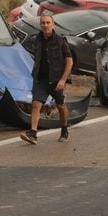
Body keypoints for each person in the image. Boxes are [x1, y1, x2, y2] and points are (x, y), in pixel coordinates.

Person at [20, 10, 73, 144]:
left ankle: (65, 129)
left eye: (48, 22)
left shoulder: (60, 40)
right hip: (40, 79)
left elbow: (69, 61)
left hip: (56, 80)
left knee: (60, 106)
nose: (45, 25)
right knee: (36, 104)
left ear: (53, 24)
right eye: (43, 23)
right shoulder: (36, 40)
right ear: (40, 24)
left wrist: (63, 80)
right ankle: (33, 133)